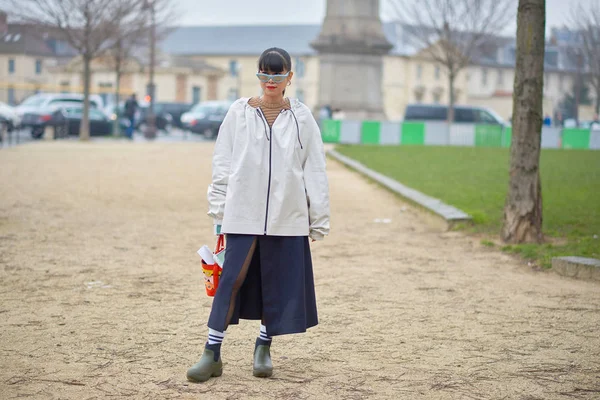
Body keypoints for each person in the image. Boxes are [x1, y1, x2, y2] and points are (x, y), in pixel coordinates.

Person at [186, 47, 330, 383]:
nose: (270, 81)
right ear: (258, 75)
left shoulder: (303, 118)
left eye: (277, 75)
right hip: (243, 212)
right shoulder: (238, 113)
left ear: (289, 78)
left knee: (275, 283)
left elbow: (315, 169)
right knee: (231, 281)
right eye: (264, 74)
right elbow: (223, 162)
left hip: (288, 215)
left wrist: (317, 217)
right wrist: (219, 211)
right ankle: (212, 352)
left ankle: (263, 347)